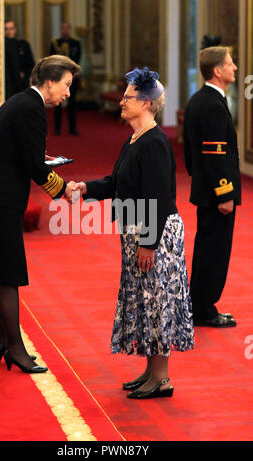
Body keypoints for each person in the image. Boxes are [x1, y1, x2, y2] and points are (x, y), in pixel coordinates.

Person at [74, 67, 194, 399]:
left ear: (145, 103)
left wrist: (148, 243)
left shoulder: (154, 142)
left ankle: (162, 378)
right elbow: (117, 183)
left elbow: (157, 197)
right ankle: (150, 371)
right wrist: (86, 188)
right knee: (146, 300)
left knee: (158, 301)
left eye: (127, 98)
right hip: (138, 229)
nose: (121, 103)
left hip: (153, 234)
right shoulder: (135, 138)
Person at [0, 55, 81, 373]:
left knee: (5, 273)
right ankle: (15, 347)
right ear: (50, 81)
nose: (68, 94)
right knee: (10, 274)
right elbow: (32, 166)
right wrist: (63, 191)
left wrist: (35, 156)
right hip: (1, 198)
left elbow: (6, 148)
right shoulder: (33, 109)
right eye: (66, 85)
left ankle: (6, 341)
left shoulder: (19, 101)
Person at [183, 46, 241, 327]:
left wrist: (202, 183)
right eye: (231, 64)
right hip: (218, 194)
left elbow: (191, 157)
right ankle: (204, 309)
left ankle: (200, 304)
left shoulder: (198, 100)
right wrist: (225, 193)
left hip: (205, 190)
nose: (235, 68)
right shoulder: (213, 104)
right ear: (217, 70)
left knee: (206, 248)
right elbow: (215, 155)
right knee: (214, 252)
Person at [50, 22, 81, 135]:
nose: (65, 30)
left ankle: (72, 128)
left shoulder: (76, 43)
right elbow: (52, 59)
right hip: (58, 77)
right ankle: (57, 128)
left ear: (70, 29)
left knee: (72, 104)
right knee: (57, 103)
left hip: (72, 77)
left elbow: (77, 59)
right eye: (63, 28)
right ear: (61, 29)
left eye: (67, 28)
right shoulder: (55, 43)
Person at [5, 19, 35, 95]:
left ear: (15, 29)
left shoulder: (23, 45)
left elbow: (31, 64)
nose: (9, 32)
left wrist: (24, 73)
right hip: (7, 84)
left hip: (23, 84)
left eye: (11, 29)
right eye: (6, 29)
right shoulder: (0, 48)